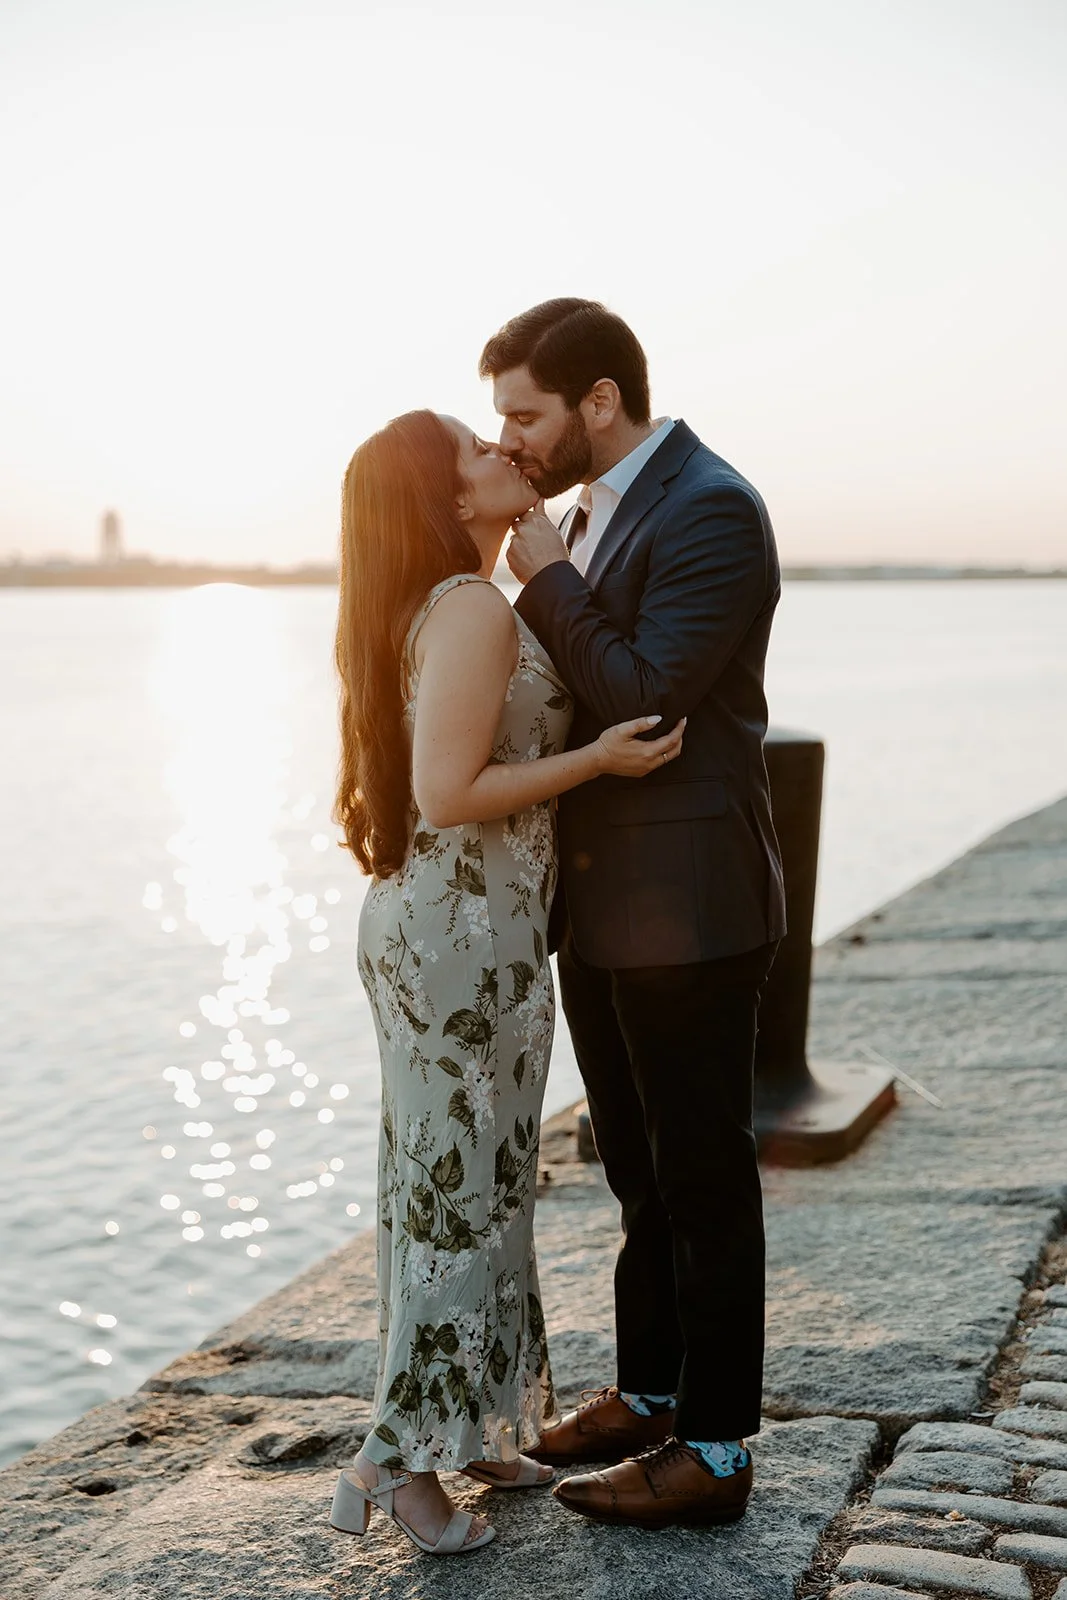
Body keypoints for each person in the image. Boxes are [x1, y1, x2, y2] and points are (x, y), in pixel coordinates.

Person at [328, 408, 685, 1556]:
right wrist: (595, 757)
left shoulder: (458, 600)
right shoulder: (469, 604)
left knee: (474, 1184)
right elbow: (446, 792)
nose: (501, 453)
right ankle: (397, 1462)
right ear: (447, 501)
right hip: (455, 937)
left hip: (471, 932)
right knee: (449, 1193)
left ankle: (474, 1420)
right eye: (475, 451)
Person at [478, 298, 786, 1529]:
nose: (508, 441)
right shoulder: (590, 509)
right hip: (602, 909)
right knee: (634, 1172)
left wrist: (541, 574)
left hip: (694, 906)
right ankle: (650, 1391)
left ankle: (713, 1452)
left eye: (524, 414)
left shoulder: (710, 505)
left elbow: (645, 705)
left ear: (597, 402)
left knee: (704, 1179)